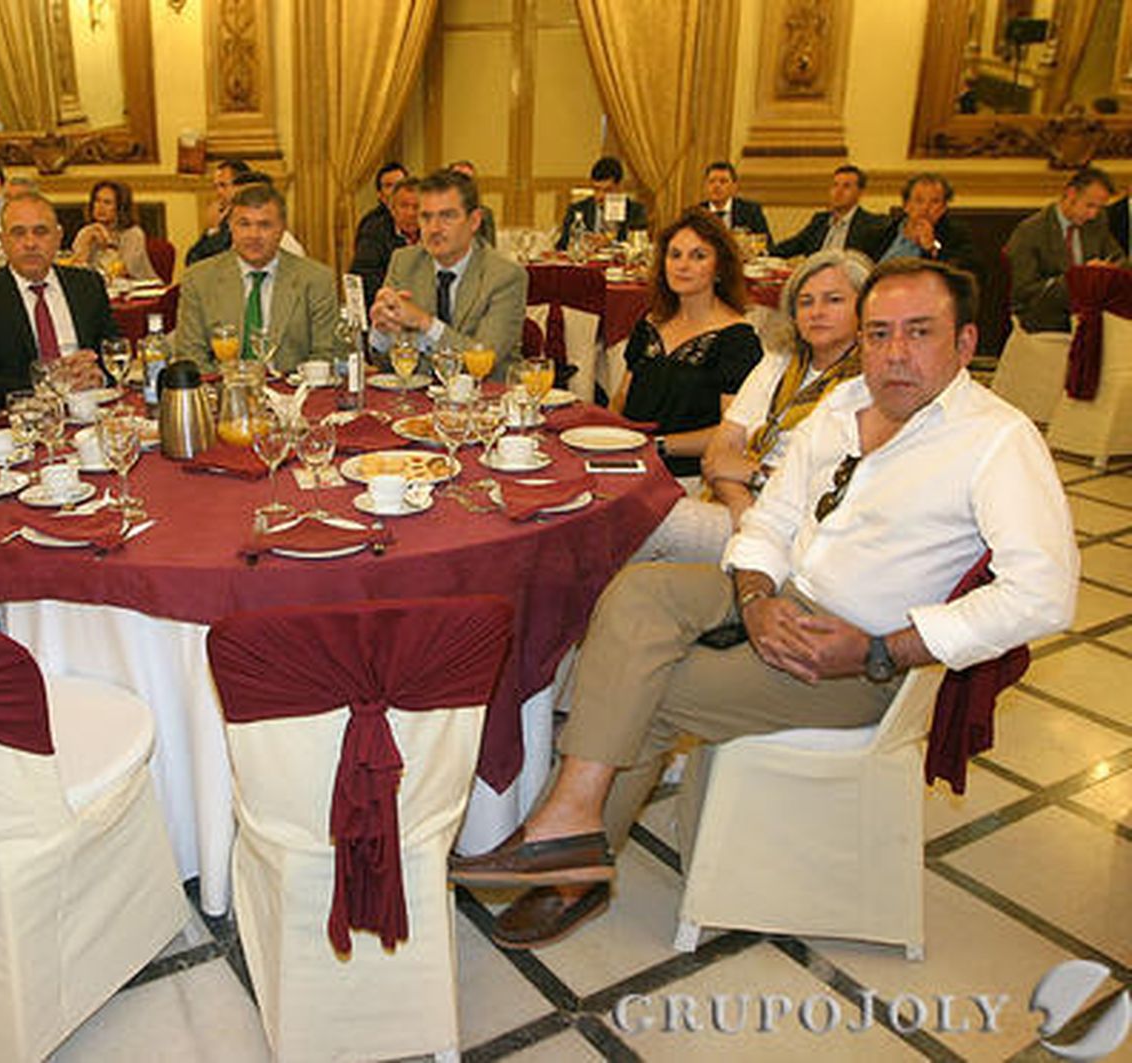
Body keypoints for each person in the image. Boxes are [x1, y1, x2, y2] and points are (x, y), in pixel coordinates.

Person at [450, 259, 1078, 949]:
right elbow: (771, 521)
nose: (895, 353)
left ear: (965, 343)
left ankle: (568, 864)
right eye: (877, 334)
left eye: (919, 332)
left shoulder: (997, 440)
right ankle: (570, 828)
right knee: (634, 592)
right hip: (781, 595)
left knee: (651, 685)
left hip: (856, 657)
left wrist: (880, 649)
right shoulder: (841, 408)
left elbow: (1043, 595)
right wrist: (753, 597)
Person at [633, 249, 872, 562]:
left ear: (866, 308)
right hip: (744, 508)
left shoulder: (868, 384)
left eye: (834, 300)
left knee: (641, 526)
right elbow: (717, 455)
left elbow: (831, 491)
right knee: (628, 511)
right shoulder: (778, 361)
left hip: (799, 528)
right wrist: (745, 513)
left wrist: (755, 474)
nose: (817, 312)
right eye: (806, 302)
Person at [609, 211, 763, 479]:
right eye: (675, 255)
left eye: (698, 256)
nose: (682, 265)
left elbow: (733, 433)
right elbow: (622, 398)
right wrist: (607, 441)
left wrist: (658, 445)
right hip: (630, 462)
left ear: (720, 267)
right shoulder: (650, 322)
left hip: (689, 476)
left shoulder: (737, 339)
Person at [0, 191, 115, 410]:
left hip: (89, 409)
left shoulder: (87, 285)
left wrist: (99, 376)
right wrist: (51, 383)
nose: (30, 243)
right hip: (21, 420)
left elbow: (112, 352)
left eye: (41, 232)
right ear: (2, 241)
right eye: (18, 233)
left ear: (58, 237)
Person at [370, 169, 528, 379]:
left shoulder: (505, 276)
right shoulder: (404, 262)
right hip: (420, 400)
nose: (434, 229)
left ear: (474, 221)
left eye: (447, 216)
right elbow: (387, 364)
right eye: (426, 217)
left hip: (487, 400)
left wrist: (425, 323)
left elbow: (483, 362)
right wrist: (382, 332)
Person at [173, 182, 340, 372]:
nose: (254, 235)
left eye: (265, 225)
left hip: (295, 393)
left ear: (282, 229)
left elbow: (326, 354)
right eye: (244, 224)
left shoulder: (317, 279)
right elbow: (190, 354)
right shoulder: (199, 279)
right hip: (224, 392)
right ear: (230, 227)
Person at [1005, 167, 1124, 334]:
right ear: (1070, 194)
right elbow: (1023, 294)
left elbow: (1117, 258)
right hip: (1047, 319)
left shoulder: (1096, 223)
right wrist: (1078, 278)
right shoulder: (1030, 231)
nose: (1093, 215)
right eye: (1089, 206)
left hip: (1092, 314)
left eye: (1099, 208)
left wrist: (1107, 269)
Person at [769, 164, 890, 259]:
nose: (838, 191)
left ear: (860, 192)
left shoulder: (871, 226)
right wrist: (764, 253)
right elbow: (793, 245)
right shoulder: (820, 220)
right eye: (835, 185)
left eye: (846, 186)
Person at [875, 172, 977, 275]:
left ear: (943, 208)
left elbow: (964, 274)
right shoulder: (883, 232)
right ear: (906, 205)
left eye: (935, 202)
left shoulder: (956, 235)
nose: (925, 208)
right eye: (919, 201)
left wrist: (932, 248)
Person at [350, 174, 420, 310]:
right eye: (404, 206)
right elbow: (364, 278)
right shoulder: (373, 233)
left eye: (417, 207)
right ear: (392, 209)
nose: (411, 213)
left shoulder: (434, 235)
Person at [70, 179, 158, 280]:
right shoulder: (86, 232)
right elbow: (74, 272)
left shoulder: (133, 234)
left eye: (107, 203)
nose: (100, 207)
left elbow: (123, 271)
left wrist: (108, 244)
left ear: (120, 207)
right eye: (97, 201)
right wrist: (85, 244)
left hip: (138, 289)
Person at [557, 156, 648, 250]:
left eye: (607, 190)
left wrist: (611, 241)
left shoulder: (635, 211)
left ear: (620, 187)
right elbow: (562, 245)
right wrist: (580, 242)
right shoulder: (578, 209)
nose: (600, 196)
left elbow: (637, 246)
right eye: (596, 189)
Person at [186, 157, 249, 266]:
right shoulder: (224, 216)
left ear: (241, 186)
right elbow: (192, 260)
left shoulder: (247, 218)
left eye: (223, 185)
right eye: (216, 187)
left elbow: (210, 260)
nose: (218, 192)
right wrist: (212, 230)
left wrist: (214, 229)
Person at [698, 160, 769, 239]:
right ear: (705, 186)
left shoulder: (751, 211)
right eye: (711, 181)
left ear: (734, 186)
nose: (716, 186)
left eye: (723, 181)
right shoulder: (697, 214)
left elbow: (766, 244)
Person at [449, 161, 497, 247]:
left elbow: (490, 249)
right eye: (458, 179)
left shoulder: (485, 215)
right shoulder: (436, 213)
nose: (464, 184)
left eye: (468, 180)